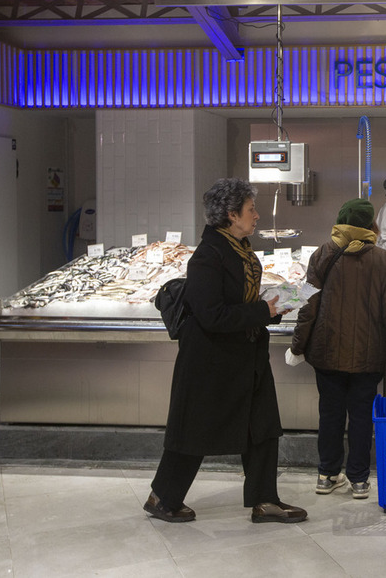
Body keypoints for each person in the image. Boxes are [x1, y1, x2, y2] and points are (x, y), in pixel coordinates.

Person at [144, 177, 307, 525]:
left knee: (263, 426)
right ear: (231, 215)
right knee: (193, 431)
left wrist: (271, 306)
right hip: (211, 361)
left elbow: (239, 300)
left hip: (245, 355)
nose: (257, 216)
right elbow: (211, 314)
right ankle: (162, 497)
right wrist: (264, 312)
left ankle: (265, 500)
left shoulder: (240, 249)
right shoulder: (208, 256)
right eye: (251, 210)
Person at [289, 198, 386, 500]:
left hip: (326, 353)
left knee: (330, 415)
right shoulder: (383, 260)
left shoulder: (321, 255)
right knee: (361, 417)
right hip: (368, 356)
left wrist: (297, 346)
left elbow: (307, 305)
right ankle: (359, 480)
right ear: (370, 225)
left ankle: (327, 475)